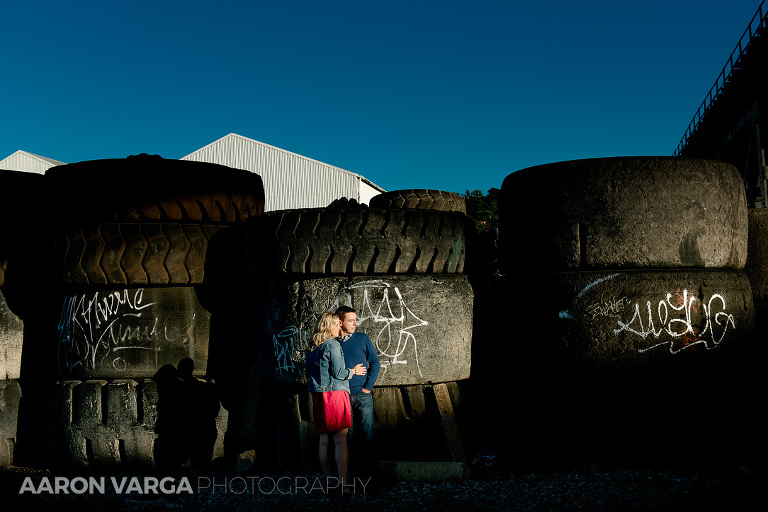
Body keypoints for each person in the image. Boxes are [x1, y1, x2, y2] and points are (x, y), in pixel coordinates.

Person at [305, 312, 367, 492]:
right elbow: (339, 373)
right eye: (337, 324)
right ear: (329, 326)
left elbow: (308, 373)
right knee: (340, 440)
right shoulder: (332, 345)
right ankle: (344, 484)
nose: (340, 327)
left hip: (318, 396)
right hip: (335, 396)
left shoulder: (312, 347)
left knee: (323, 440)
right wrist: (353, 371)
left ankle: (329, 481)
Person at [335, 305, 380, 478]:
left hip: (362, 395)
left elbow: (375, 362)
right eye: (351, 321)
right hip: (342, 396)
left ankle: (372, 478)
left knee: (368, 436)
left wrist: (368, 387)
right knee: (349, 438)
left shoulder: (362, 338)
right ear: (340, 322)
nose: (355, 323)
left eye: (355, 320)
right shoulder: (332, 342)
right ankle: (353, 477)